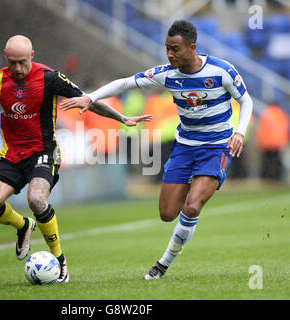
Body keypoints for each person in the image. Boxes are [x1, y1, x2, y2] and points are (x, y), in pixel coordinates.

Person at [60, 20, 253, 280]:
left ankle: (162, 264)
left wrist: (239, 132)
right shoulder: (167, 74)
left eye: (175, 49)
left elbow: (246, 100)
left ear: (192, 48)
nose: (170, 54)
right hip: (184, 146)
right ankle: (188, 208)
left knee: (192, 207)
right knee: (166, 214)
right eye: (167, 48)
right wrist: (90, 97)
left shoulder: (222, 71)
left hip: (216, 146)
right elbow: (125, 83)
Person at [0, 35, 151, 283]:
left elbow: (87, 100)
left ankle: (59, 260)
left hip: (43, 152)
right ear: (6, 58)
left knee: (36, 198)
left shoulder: (49, 77)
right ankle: (23, 226)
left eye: (23, 62)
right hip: (12, 156)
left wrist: (121, 118)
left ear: (32, 56)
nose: (18, 68)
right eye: (12, 62)